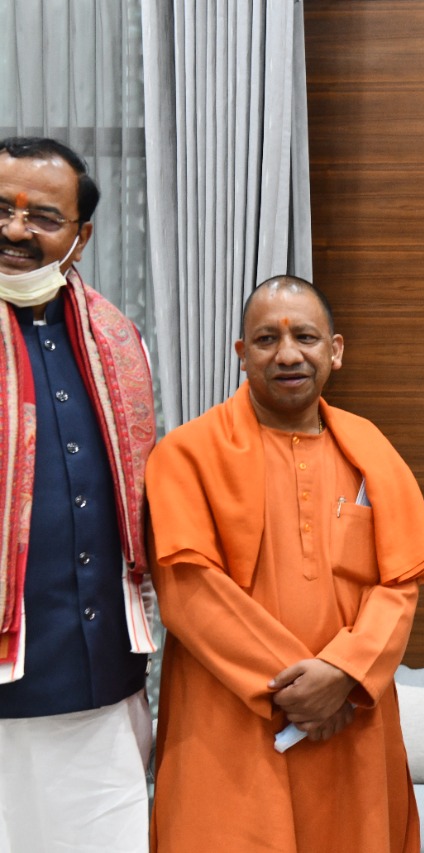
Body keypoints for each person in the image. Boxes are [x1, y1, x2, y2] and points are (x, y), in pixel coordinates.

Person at [145, 275, 424, 852]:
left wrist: (344, 675)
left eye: (305, 336)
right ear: (241, 354)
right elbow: (189, 593)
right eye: (265, 339)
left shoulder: (371, 450)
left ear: (334, 349)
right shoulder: (185, 453)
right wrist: (303, 689)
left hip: (349, 723)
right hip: (228, 725)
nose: (287, 354)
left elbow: (400, 582)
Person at [0, 137, 156, 852]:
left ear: (81, 235)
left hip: (101, 675)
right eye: (1, 209)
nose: (15, 229)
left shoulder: (118, 341)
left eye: (42, 217)